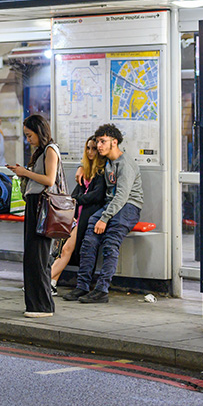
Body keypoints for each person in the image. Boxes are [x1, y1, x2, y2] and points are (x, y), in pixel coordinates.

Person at [63, 123, 143, 304]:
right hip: (110, 206)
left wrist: (105, 219)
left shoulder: (125, 164)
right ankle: (82, 286)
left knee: (110, 244)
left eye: (102, 141)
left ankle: (101, 290)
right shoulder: (107, 162)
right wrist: (80, 166)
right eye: (98, 141)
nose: (98, 146)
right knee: (88, 241)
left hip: (128, 207)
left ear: (114, 142)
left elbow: (122, 196)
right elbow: (88, 159)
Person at [6, 114, 59, 318]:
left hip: (42, 207)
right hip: (34, 204)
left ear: (39, 132)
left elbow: (50, 179)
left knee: (38, 257)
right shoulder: (40, 152)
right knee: (32, 256)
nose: (28, 139)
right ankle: (36, 304)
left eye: (30, 135)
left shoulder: (50, 150)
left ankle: (42, 306)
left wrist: (25, 173)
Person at [50, 136, 106, 295]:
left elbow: (96, 196)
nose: (90, 152)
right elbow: (78, 193)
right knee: (62, 250)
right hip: (76, 216)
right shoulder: (85, 171)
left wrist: (75, 200)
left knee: (66, 249)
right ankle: (51, 282)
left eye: (94, 149)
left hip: (86, 217)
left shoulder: (102, 172)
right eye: (88, 148)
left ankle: (43, 281)